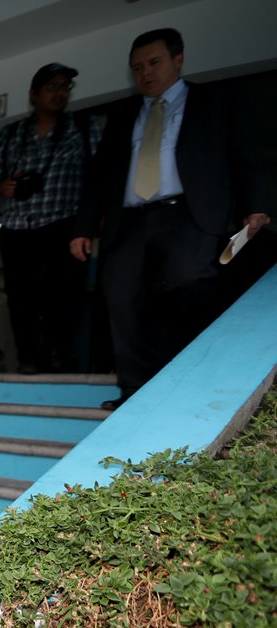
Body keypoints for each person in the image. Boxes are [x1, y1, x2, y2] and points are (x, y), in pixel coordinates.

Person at [72, 29, 270, 410]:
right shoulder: (122, 114)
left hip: (189, 215)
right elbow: (101, 175)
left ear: (178, 59)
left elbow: (245, 155)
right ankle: (133, 390)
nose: (144, 73)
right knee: (122, 298)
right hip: (128, 221)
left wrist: (255, 205)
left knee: (193, 287)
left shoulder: (214, 101)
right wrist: (82, 227)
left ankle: (190, 380)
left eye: (153, 62)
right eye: (136, 67)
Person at [0, 63, 102, 374]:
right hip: (17, 226)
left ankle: (58, 357)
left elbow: (99, 175)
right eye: (52, 87)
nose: (59, 92)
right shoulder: (11, 134)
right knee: (20, 299)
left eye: (64, 87)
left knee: (63, 297)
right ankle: (28, 359)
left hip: (65, 224)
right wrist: (5, 187)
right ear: (33, 94)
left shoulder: (82, 126)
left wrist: (93, 222)